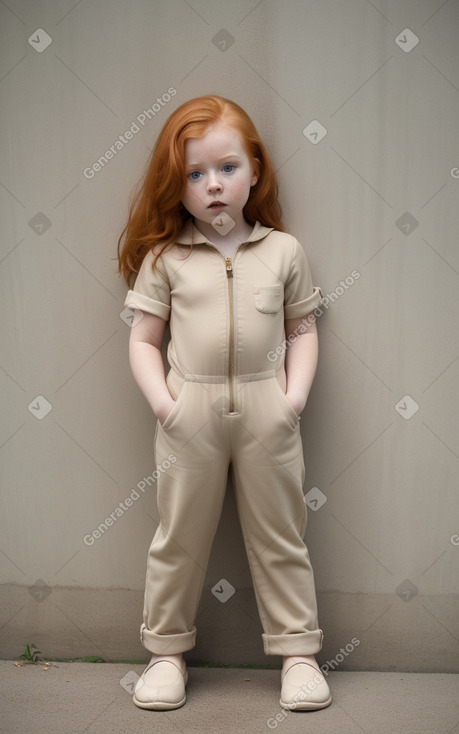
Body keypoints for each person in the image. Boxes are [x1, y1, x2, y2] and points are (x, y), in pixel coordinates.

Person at [117, 94, 331, 712]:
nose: (213, 186)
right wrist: (166, 405)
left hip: (269, 412)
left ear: (255, 170)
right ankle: (164, 654)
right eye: (194, 174)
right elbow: (143, 341)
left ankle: (298, 654)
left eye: (228, 168)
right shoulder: (165, 259)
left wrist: (291, 399)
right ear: (176, 184)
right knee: (178, 535)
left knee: (282, 533)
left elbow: (303, 331)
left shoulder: (283, 252)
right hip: (190, 415)